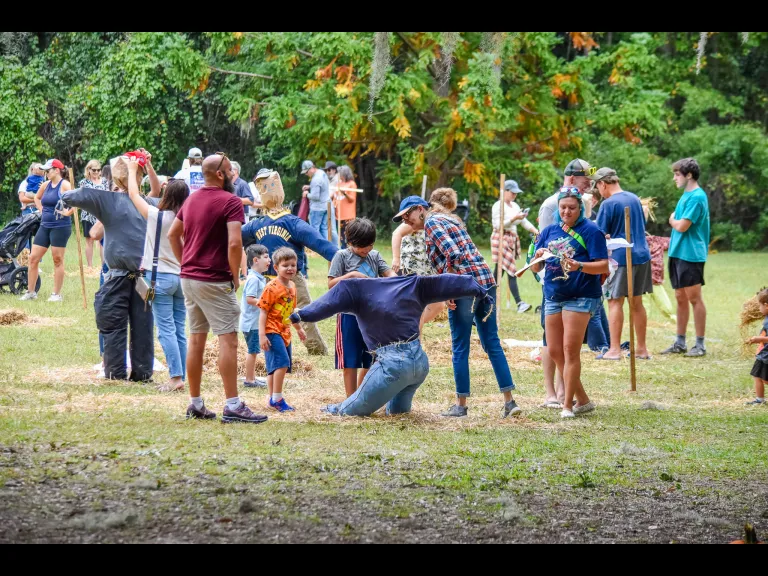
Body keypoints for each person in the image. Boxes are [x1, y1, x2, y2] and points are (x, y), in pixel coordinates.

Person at [291, 274, 494, 417]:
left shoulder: (353, 290)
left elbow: (325, 304)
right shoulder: (414, 284)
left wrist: (301, 314)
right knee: (396, 414)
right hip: (419, 364)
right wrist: (479, 290)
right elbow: (451, 282)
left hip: (392, 364)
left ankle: (333, 410)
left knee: (346, 410)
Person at [399, 190, 522, 419]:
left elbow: (453, 255)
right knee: (492, 343)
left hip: (464, 288)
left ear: (420, 209)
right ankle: (509, 402)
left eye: (408, 215)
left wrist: (449, 288)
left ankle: (461, 405)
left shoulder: (432, 224)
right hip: (486, 283)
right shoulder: (448, 218)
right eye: (402, 218)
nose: (406, 220)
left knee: (460, 347)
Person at [167, 153, 267, 424]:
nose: (234, 176)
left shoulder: (191, 199)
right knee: (229, 339)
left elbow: (173, 234)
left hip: (189, 278)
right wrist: (235, 276)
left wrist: (185, 261)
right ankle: (233, 404)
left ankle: (196, 402)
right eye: (230, 171)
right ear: (221, 175)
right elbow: (235, 244)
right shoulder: (231, 201)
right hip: (214, 278)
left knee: (196, 338)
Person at [62, 151, 160, 380]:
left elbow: (72, 197)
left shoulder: (113, 200)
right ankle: (142, 373)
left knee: (119, 326)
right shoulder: (146, 203)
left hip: (124, 275)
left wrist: (62, 192)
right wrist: (147, 168)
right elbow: (159, 192)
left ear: (116, 178)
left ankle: (118, 373)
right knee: (142, 327)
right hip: (140, 276)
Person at [242, 168, 338, 356]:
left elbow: (320, 244)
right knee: (284, 316)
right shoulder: (265, 223)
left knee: (301, 313)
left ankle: (315, 349)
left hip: (289, 279)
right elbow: (234, 237)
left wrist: (341, 258)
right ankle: (276, 350)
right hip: (271, 281)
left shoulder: (277, 223)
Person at [531, 187, 609, 418]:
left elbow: (604, 266)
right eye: (563, 207)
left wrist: (579, 266)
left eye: (572, 208)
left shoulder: (591, 231)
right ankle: (583, 400)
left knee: (570, 351)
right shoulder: (548, 231)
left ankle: (567, 405)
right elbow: (536, 268)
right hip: (553, 295)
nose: (566, 211)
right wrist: (537, 258)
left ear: (580, 209)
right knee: (555, 350)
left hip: (582, 296)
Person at [535, 158, 595, 407]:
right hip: (553, 280)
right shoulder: (551, 205)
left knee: (571, 343)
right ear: (571, 179)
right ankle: (551, 392)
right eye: (585, 181)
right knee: (551, 340)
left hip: (577, 282)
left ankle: (564, 392)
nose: (589, 185)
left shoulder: (584, 202)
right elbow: (546, 242)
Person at [126, 160, 190, 393]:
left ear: (167, 194)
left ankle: (175, 378)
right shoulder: (188, 221)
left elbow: (134, 194)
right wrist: (151, 167)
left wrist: (133, 170)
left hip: (159, 278)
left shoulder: (157, 216)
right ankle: (182, 373)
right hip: (181, 278)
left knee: (166, 330)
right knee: (180, 329)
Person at [328, 218, 397, 397]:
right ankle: (350, 399)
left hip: (372, 318)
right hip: (348, 316)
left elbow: (389, 274)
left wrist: (396, 280)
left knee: (371, 359)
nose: (367, 250)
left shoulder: (375, 256)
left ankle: (361, 397)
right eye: (362, 247)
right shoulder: (341, 256)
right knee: (350, 362)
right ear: (349, 242)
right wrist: (351, 275)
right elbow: (331, 284)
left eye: (370, 245)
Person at [592, 168, 653, 360]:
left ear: (603, 183)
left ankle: (615, 349)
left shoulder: (608, 204)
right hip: (642, 255)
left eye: (597, 187)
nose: (598, 192)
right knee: (637, 302)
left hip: (619, 258)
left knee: (614, 301)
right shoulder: (635, 198)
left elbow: (600, 234)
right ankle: (641, 349)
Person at [662, 158, 710, 358]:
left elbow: (682, 226)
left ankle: (700, 344)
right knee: (680, 297)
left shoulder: (697, 197)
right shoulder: (686, 195)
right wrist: (676, 220)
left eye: (677, 174)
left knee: (694, 298)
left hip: (691, 255)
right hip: (677, 253)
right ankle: (680, 342)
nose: (674, 178)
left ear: (689, 175)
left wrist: (672, 220)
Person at [258, 247, 307, 412]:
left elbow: (291, 311)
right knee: (282, 363)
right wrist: (262, 335)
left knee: (274, 367)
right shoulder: (271, 287)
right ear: (276, 267)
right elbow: (263, 311)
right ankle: (277, 399)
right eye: (286, 265)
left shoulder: (292, 286)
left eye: (293, 264)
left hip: (285, 331)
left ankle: (271, 397)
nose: (290, 268)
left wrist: (299, 328)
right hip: (271, 330)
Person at [20, 159, 74, 302]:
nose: (45, 173)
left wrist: (68, 213)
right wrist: (41, 209)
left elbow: (76, 202)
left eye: (48, 170)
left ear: (57, 170)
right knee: (33, 258)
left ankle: (56, 294)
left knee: (57, 259)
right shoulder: (45, 184)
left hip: (60, 227)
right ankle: (31, 292)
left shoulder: (65, 185)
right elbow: (37, 198)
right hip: (45, 225)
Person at [491, 179, 538, 313]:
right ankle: (519, 303)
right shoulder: (497, 206)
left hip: (511, 239)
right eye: (512, 193)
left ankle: (485, 296)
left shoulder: (515, 206)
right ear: (505, 191)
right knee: (511, 270)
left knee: (499, 271)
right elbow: (497, 225)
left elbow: (524, 222)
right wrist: (513, 219)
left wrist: (536, 231)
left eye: (516, 194)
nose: (514, 196)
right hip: (501, 237)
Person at [241, 244, 270, 389]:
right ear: (255, 260)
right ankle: (249, 380)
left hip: (254, 322)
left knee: (254, 350)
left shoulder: (258, 278)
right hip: (251, 323)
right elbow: (250, 299)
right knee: (252, 351)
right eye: (265, 257)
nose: (269, 260)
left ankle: (251, 378)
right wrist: (266, 303)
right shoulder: (253, 279)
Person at [78, 160, 107, 268]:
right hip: (88, 215)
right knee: (89, 240)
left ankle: (103, 265)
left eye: (98, 170)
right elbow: (80, 198)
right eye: (93, 170)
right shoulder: (83, 183)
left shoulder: (104, 182)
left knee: (102, 241)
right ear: (89, 170)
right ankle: (90, 266)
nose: (96, 172)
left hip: (101, 214)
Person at [301, 160, 338, 245]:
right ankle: (332, 248)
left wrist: (306, 194)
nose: (306, 174)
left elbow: (315, 196)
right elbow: (323, 186)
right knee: (327, 229)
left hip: (317, 208)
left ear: (311, 168)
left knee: (314, 230)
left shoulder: (315, 179)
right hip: (327, 204)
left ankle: (316, 248)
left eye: (306, 172)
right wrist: (310, 186)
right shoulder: (321, 173)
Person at [230, 161, 255, 278]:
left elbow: (250, 200)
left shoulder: (242, 184)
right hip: (230, 217)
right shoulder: (228, 184)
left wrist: (233, 199)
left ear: (235, 171)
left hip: (241, 216)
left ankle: (244, 273)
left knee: (239, 245)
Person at [746, 289, 768, 405]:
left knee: (765, 379)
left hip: (767, 355)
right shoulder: (766, 317)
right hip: (763, 353)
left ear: (766, 306)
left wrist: (758, 339)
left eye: (759, 305)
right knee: (757, 375)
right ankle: (759, 399)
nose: (759, 309)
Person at [334, 165, 358, 248]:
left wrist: (345, 193)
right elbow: (335, 198)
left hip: (348, 216)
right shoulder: (338, 184)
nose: (339, 175)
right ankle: (343, 253)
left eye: (340, 173)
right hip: (338, 215)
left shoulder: (351, 184)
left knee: (349, 237)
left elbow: (352, 199)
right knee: (341, 238)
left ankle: (350, 253)